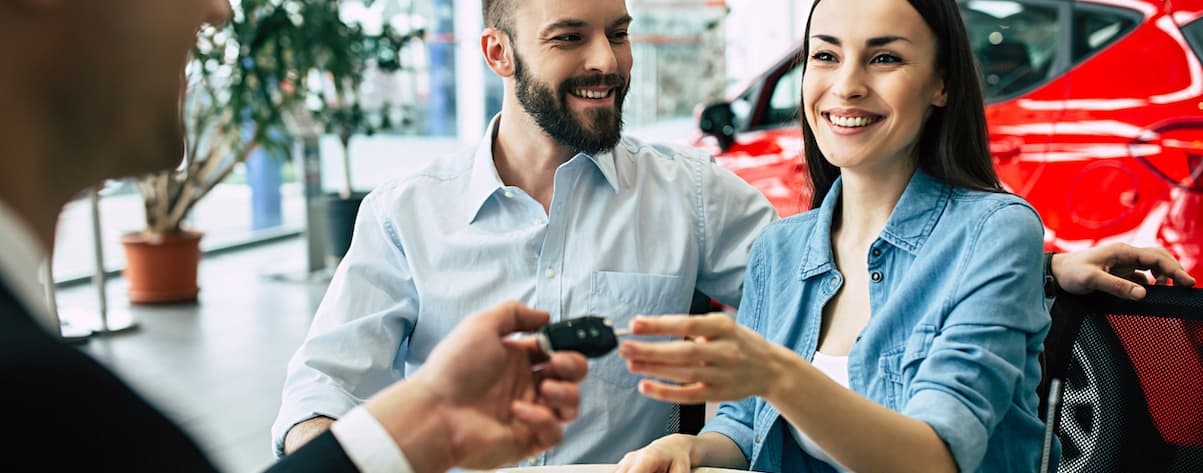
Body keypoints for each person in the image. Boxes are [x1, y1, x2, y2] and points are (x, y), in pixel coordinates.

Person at [274, 0, 1196, 466]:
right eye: (570, 37)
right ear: (497, 55)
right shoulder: (404, 211)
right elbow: (318, 394)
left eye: (620, 32)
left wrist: (1045, 265)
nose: (607, 61)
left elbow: (929, 271)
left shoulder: (695, 197)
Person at [0, 1, 586, 472]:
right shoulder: (50, 412)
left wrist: (431, 420)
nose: (217, 11)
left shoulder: (56, 404)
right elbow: (323, 385)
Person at [613, 1, 1197, 472]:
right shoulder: (779, 248)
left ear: (941, 84)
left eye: (884, 58)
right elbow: (742, 427)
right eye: (825, 55)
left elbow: (936, 456)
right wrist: (690, 449)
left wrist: (776, 374)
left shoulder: (994, 231)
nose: (846, 86)